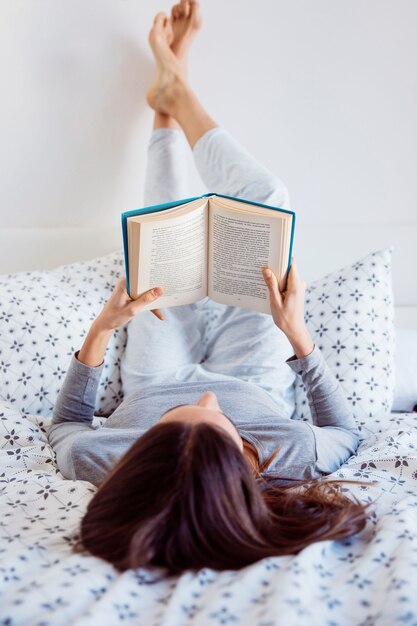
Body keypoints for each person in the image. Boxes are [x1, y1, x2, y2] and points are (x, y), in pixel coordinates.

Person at [47, 0, 368, 576]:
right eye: (220, 423)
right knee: (268, 198)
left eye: (175, 419)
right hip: (260, 372)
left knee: (162, 224)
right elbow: (343, 430)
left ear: (141, 452)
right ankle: (178, 92)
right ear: (244, 466)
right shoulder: (287, 459)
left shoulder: (103, 458)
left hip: (155, 373)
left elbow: (68, 424)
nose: (205, 398)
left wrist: (102, 330)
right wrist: (296, 333)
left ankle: (170, 93)